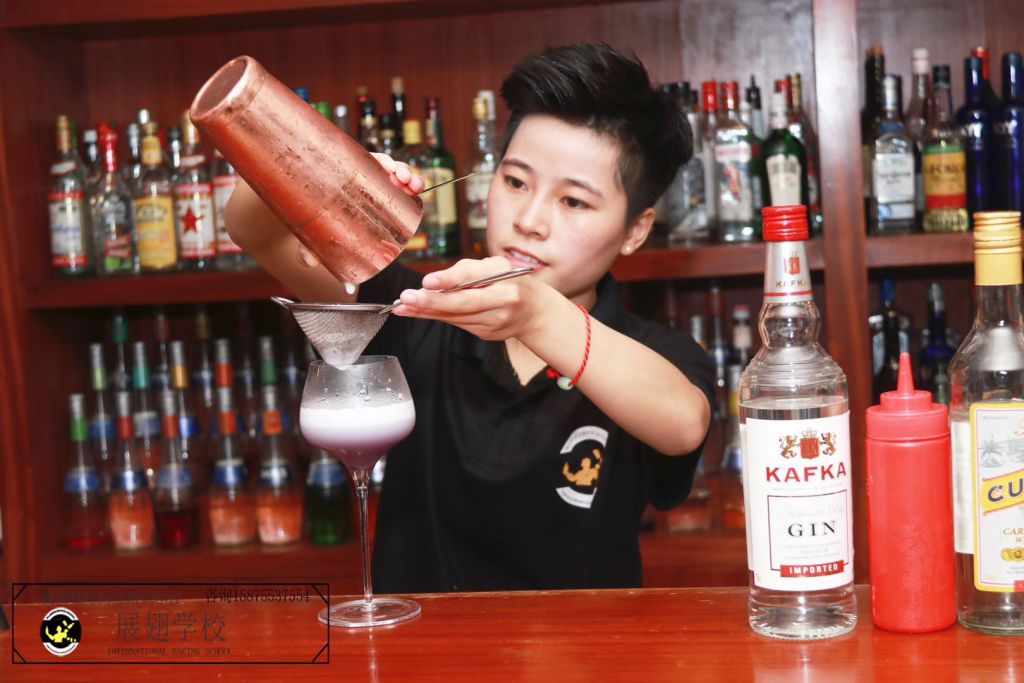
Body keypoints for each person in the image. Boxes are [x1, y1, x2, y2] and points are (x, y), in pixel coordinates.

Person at [225, 43, 714, 592]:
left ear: (636, 230)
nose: (529, 220)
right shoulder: (414, 308)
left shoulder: (657, 354)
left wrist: (535, 313)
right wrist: (326, 173)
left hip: (587, 643)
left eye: (574, 202)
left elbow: (683, 422)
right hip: (422, 642)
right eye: (515, 182)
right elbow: (253, 229)